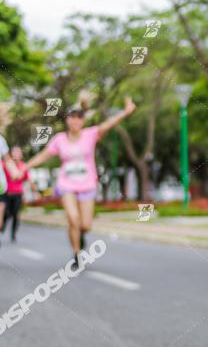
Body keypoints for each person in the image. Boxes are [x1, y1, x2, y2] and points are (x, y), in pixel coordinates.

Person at [25, 98, 136, 268]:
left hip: (87, 185)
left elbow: (108, 124)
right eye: (72, 117)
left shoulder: (90, 134)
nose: (75, 120)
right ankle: (77, 254)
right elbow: (43, 156)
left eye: (79, 117)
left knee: (85, 224)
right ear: (67, 120)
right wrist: (24, 167)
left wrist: (125, 112)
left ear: (83, 121)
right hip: (66, 185)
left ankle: (80, 235)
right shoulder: (59, 139)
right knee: (73, 219)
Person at [1, 146, 32, 243]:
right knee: (5, 213)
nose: (16, 154)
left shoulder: (23, 166)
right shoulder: (5, 164)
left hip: (18, 193)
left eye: (18, 152)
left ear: (21, 155)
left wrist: (25, 192)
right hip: (6, 193)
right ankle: (2, 224)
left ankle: (13, 234)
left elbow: (27, 181)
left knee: (15, 214)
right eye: (14, 152)